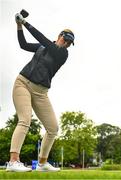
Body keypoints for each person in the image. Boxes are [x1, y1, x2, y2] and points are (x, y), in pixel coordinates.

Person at [6, 12, 75, 172]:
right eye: (65, 40)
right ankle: (13, 161)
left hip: (41, 92)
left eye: (69, 43)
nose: (66, 44)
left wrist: (25, 23)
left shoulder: (62, 54)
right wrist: (19, 26)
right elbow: (23, 45)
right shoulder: (43, 47)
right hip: (22, 83)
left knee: (53, 128)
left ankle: (42, 163)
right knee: (24, 120)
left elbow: (43, 40)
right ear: (60, 36)